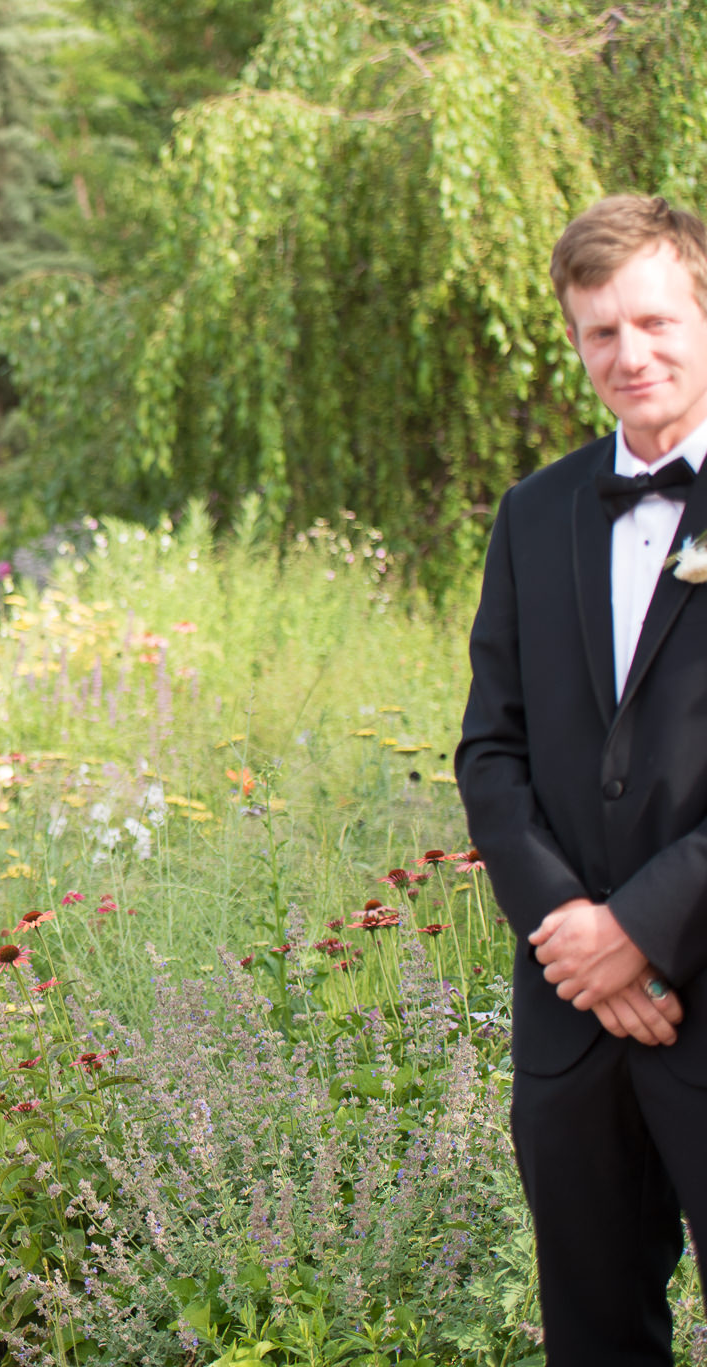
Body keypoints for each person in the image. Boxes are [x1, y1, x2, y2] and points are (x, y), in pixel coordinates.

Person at [457, 193, 707, 1364]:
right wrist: (568, 926)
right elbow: (489, 749)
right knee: (594, 1339)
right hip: (569, 1022)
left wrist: (642, 931)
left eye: (654, 321)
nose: (630, 354)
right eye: (599, 331)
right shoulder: (532, 512)